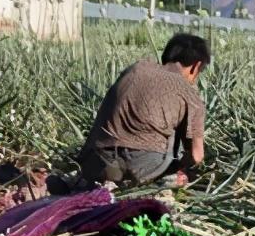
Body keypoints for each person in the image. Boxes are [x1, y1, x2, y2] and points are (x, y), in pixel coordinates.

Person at [77, 34, 210, 187]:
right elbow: (197, 155)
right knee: (178, 141)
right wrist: (182, 167)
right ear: (196, 66)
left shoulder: (135, 69)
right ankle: (166, 179)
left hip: (96, 163)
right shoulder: (190, 94)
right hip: (143, 169)